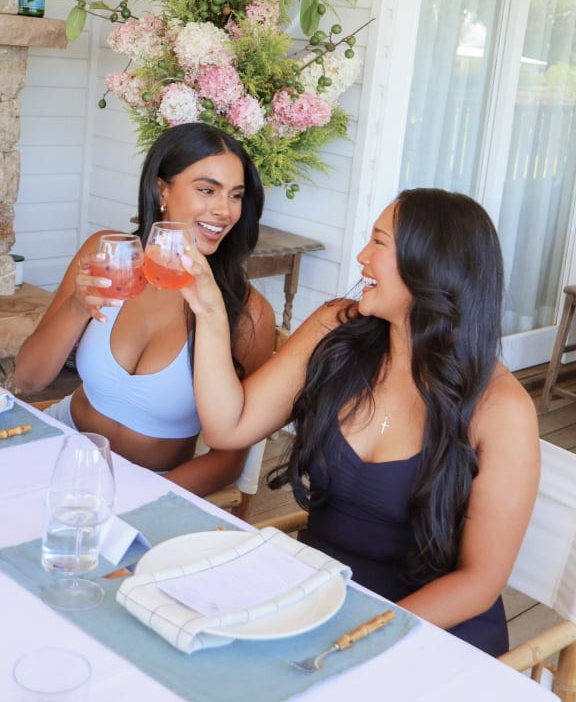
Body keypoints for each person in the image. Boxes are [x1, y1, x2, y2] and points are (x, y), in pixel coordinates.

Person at [182, 187, 540, 656]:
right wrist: (209, 312)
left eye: (380, 242)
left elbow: (479, 582)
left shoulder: (501, 409)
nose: (361, 256)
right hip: (320, 604)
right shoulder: (337, 331)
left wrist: (361, 639)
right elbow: (228, 427)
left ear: (430, 265)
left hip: (427, 634)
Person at [15, 123, 276, 496]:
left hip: (151, 485)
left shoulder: (247, 313)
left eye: (236, 196)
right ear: (161, 190)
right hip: (62, 450)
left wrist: (139, 500)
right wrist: (76, 306)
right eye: (207, 190)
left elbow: (229, 459)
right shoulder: (109, 256)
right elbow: (27, 379)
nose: (224, 210)